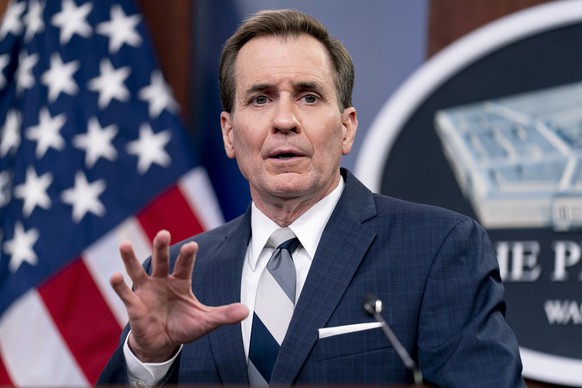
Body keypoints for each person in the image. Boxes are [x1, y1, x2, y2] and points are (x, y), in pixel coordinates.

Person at [98, 9, 525, 387]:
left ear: (347, 128)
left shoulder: (437, 249)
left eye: (308, 96)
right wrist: (148, 359)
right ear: (229, 133)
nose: (285, 120)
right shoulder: (176, 275)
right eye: (261, 98)